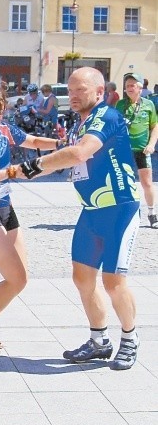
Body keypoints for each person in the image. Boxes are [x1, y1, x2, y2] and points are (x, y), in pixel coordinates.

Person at [20, 67, 141, 370]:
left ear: (100, 92)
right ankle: (99, 341)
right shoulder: (79, 123)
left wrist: (32, 168)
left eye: (80, 90)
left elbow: (79, 154)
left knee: (114, 282)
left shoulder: (107, 116)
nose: (72, 96)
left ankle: (130, 337)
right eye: (70, 90)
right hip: (91, 212)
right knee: (82, 278)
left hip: (119, 209)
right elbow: (66, 153)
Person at [0, 82, 62, 355]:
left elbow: (33, 142)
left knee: (21, 279)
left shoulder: (4, 128)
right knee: (15, 278)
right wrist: (11, 172)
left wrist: (64, 145)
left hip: (6, 206)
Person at [116, 72, 158, 228]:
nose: (128, 88)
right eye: (127, 86)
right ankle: (127, 213)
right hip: (124, 150)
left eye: (132, 85)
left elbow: (155, 126)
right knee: (124, 183)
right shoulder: (120, 104)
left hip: (142, 150)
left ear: (140, 87)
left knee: (147, 183)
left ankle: (152, 214)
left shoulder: (149, 104)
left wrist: (152, 144)